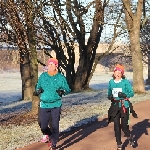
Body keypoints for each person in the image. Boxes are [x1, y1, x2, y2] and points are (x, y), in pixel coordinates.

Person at [33, 58, 71, 150]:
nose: (49, 66)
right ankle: (50, 135)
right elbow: (37, 87)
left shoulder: (60, 77)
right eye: (49, 64)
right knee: (43, 126)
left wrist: (62, 91)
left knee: (54, 125)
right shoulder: (43, 76)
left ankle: (53, 144)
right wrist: (38, 91)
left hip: (56, 104)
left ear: (56, 66)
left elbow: (68, 89)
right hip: (44, 104)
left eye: (52, 64)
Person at [107, 64, 138, 150]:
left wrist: (125, 95)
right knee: (116, 127)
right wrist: (109, 96)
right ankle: (119, 145)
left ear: (122, 74)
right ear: (114, 72)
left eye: (119, 72)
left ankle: (129, 137)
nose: (117, 74)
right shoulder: (111, 82)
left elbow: (131, 93)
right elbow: (109, 93)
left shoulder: (125, 82)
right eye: (116, 72)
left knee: (124, 127)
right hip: (115, 106)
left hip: (124, 105)